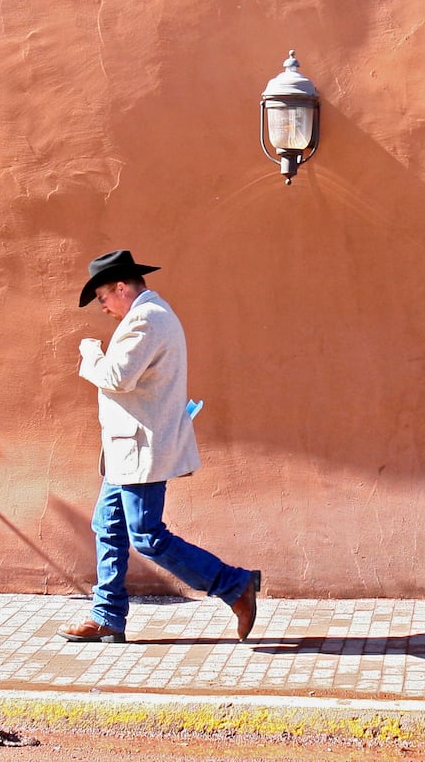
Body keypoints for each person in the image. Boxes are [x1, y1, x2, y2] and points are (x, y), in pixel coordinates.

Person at [57, 249, 261, 644]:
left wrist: (90, 354)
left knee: (147, 535)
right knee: (107, 526)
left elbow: (118, 377)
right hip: (126, 451)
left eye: (102, 298)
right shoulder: (146, 316)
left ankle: (234, 586)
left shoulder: (147, 319)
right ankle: (107, 616)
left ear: (120, 287)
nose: (102, 308)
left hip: (140, 451)